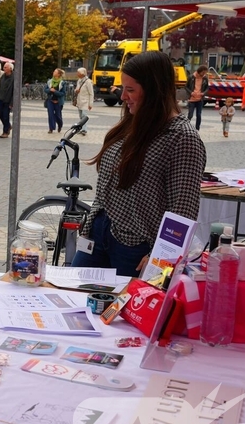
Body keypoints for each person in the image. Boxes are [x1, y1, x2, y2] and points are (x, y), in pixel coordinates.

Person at [73, 51, 206, 277]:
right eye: (123, 88)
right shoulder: (133, 122)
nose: (123, 96)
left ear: (154, 91)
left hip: (137, 248)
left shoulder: (182, 138)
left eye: (131, 90)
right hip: (98, 233)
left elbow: (182, 211)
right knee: (73, 297)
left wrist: (161, 256)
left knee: (122, 311)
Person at [184, 65, 209, 131]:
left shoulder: (205, 78)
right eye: (203, 73)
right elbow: (186, 86)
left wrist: (203, 93)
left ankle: (197, 128)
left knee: (199, 115)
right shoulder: (191, 77)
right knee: (190, 114)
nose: (204, 74)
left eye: (205, 73)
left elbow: (207, 87)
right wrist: (191, 93)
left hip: (200, 99)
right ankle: (187, 127)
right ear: (199, 71)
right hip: (192, 99)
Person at [73, 67, 93, 135]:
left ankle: (84, 129)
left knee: (84, 115)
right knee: (81, 116)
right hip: (79, 101)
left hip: (85, 101)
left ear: (82, 73)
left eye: (78, 72)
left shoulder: (88, 82)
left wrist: (90, 104)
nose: (77, 74)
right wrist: (76, 90)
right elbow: (76, 89)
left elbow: (91, 93)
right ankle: (81, 128)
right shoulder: (79, 80)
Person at [45, 67, 66, 133]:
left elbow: (63, 93)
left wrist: (55, 91)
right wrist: (49, 90)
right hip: (50, 101)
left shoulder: (62, 83)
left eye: (55, 72)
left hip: (58, 102)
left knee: (58, 116)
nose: (53, 73)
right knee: (50, 114)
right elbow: (45, 90)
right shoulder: (49, 81)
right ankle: (51, 128)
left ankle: (60, 125)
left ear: (59, 74)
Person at [0, 62, 14, 138]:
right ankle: (8, 125)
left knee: (6, 116)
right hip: (1, 99)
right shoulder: (2, 77)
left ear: (10, 69)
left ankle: (5, 132)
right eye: (4, 67)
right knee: (0, 114)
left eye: (5, 67)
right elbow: (0, 87)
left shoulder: (14, 78)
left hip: (8, 100)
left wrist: (12, 102)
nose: (4, 69)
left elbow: (14, 91)